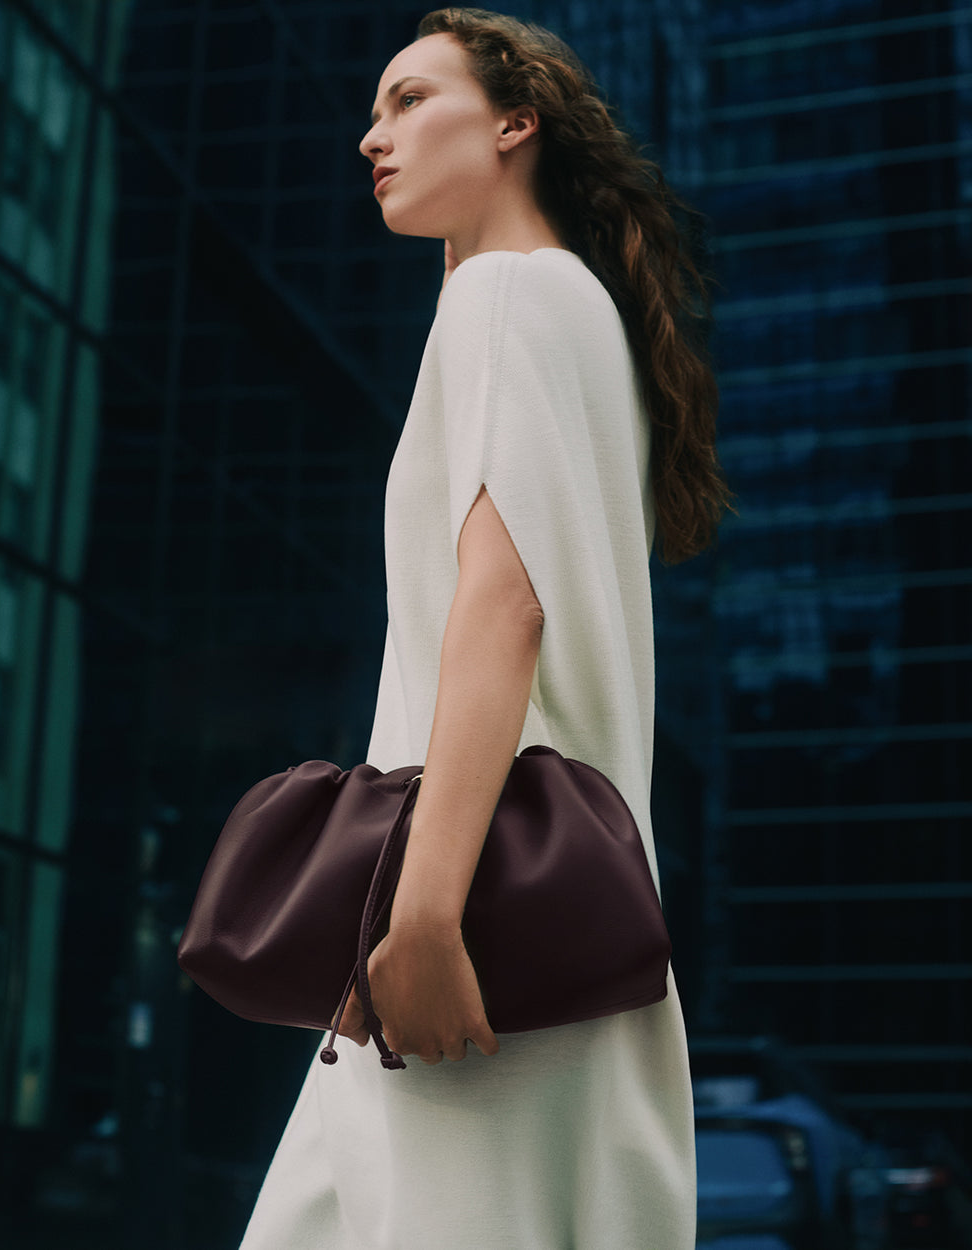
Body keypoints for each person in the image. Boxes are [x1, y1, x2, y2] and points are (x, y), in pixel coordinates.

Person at [239, 8, 730, 1249]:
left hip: (469, 939)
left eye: (409, 100)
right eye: (371, 110)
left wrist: (419, 919)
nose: (370, 135)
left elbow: (501, 610)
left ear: (517, 122)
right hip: (547, 929)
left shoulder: (509, 296)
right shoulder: (568, 310)